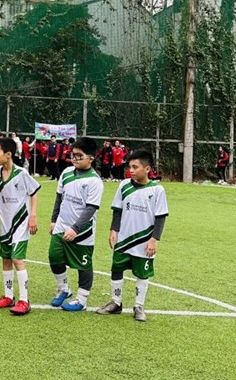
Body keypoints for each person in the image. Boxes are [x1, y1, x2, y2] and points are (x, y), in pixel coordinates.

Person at [96, 148, 168, 323]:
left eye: (135, 167)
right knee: (116, 268)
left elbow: (160, 217)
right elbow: (117, 210)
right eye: (130, 167)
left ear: (147, 169)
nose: (131, 170)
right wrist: (113, 230)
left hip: (144, 241)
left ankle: (139, 306)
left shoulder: (157, 190)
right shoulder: (124, 185)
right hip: (124, 238)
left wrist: (154, 239)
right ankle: (116, 302)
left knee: (142, 274)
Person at [48, 136, 103, 311]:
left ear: (91, 158)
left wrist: (75, 228)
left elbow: (91, 208)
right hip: (61, 225)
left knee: (83, 264)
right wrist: (54, 220)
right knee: (54, 257)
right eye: (73, 155)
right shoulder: (66, 173)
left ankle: (82, 300)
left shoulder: (94, 181)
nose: (74, 158)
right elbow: (59, 198)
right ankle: (64, 289)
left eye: (79, 155)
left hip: (83, 230)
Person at [0, 136, 39, 315]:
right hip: (5, 224)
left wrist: (33, 216)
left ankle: (25, 300)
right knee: (6, 259)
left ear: (8, 155)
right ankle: (8, 296)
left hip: (21, 223)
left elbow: (34, 192)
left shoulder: (22, 173)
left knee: (17, 259)